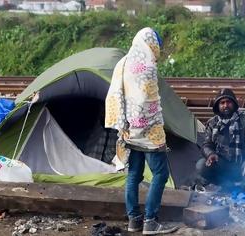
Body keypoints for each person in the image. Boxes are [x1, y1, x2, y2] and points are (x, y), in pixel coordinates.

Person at [105, 27, 178, 235]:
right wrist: (155, 130)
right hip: (147, 130)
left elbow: (115, 94)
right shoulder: (146, 65)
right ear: (150, 43)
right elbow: (149, 101)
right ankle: (150, 221)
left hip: (128, 128)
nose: (158, 49)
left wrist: (126, 124)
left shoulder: (123, 62)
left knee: (134, 174)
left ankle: (133, 220)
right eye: (157, 44)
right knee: (161, 173)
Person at [194, 88, 245, 193]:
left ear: (234, 104)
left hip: (244, 163)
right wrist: (210, 154)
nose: (226, 105)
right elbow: (206, 144)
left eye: (228, 102)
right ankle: (226, 184)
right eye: (222, 103)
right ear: (218, 106)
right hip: (223, 165)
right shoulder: (212, 123)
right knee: (201, 165)